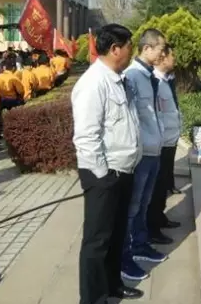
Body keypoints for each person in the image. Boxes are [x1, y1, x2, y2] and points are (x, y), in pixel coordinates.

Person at [72, 24, 143, 304]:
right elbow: (86, 137)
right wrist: (103, 176)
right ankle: (93, 298)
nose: (132, 52)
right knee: (97, 240)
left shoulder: (118, 79)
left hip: (123, 169)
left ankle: (113, 285)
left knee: (116, 233)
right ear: (115, 49)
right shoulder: (93, 83)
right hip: (104, 174)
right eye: (129, 46)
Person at [121, 28, 168, 283]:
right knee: (132, 207)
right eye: (160, 48)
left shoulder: (149, 75)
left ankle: (140, 245)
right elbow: (131, 117)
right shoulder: (132, 76)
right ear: (147, 48)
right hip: (141, 153)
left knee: (144, 204)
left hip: (154, 149)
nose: (163, 53)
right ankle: (124, 256)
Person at [147, 44, 182, 244]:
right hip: (161, 142)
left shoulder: (166, 80)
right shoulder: (154, 82)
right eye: (171, 55)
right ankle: (152, 228)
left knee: (164, 185)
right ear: (163, 58)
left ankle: (160, 217)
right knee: (157, 187)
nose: (174, 59)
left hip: (170, 140)